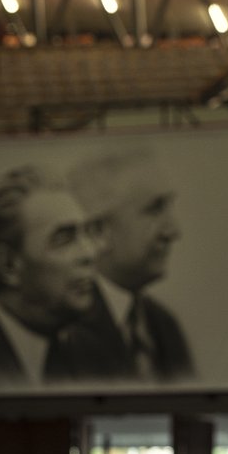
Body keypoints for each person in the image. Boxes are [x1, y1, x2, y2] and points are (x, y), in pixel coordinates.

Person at [0, 167, 107, 385]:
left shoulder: (96, 355)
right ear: (8, 265)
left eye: (87, 233)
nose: (90, 253)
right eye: (64, 239)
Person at [68, 151, 192, 381]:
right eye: (154, 209)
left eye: (169, 207)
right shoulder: (65, 328)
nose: (174, 231)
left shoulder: (164, 326)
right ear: (98, 232)